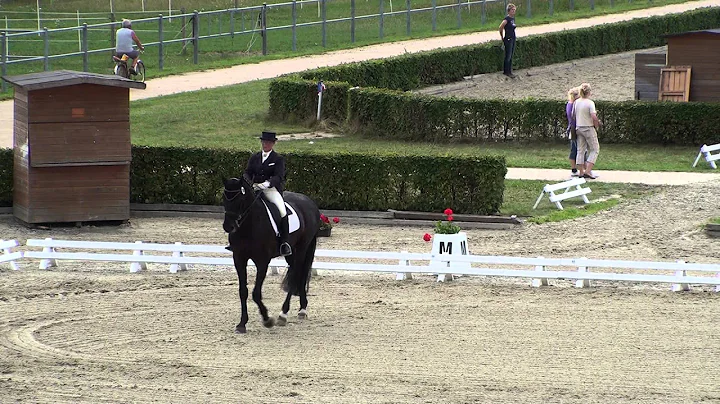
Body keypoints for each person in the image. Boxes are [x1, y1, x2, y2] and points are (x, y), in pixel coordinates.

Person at [245, 131, 292, 256]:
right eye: (264, 142)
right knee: (241, 208)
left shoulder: (278, 159)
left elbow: (279, 176)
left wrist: (267, 184)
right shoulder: (254, 157)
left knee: (282, 211)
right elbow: (247, 172)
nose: (265, 144)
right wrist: (250, 183)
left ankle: (284, 243)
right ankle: (237, 240)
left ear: (273, 143)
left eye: (268, 142)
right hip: (254, 188)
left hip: (270, 190)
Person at [573, 83, 602, 179]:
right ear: (589, 92)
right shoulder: (590, 103)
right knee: (595, 149)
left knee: (580, 150)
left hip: (579, 127)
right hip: (588, 128)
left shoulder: (576, 102)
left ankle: (581, 172)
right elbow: (593, 116)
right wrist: (597, 124)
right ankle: (588, 171)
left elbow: (573, 115)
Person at [498, 3, 517, 78]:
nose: (514, 11)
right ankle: (506, 71)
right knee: (508, 55)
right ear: (509, 11)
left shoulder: (513, 19)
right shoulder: (507, 19)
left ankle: (509, 70)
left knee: (511, 55)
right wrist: (502, 36)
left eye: (514, 10)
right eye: (512, 10)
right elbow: (500, 27)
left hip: (513, 38)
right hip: (508, 39)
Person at [566, 86, 582, 177]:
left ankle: (574, 169)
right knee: (578, 149)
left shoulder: (569, 104)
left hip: (571, 128)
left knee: (574, 149)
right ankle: (580, 169)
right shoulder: (574, 105)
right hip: (575, 129)